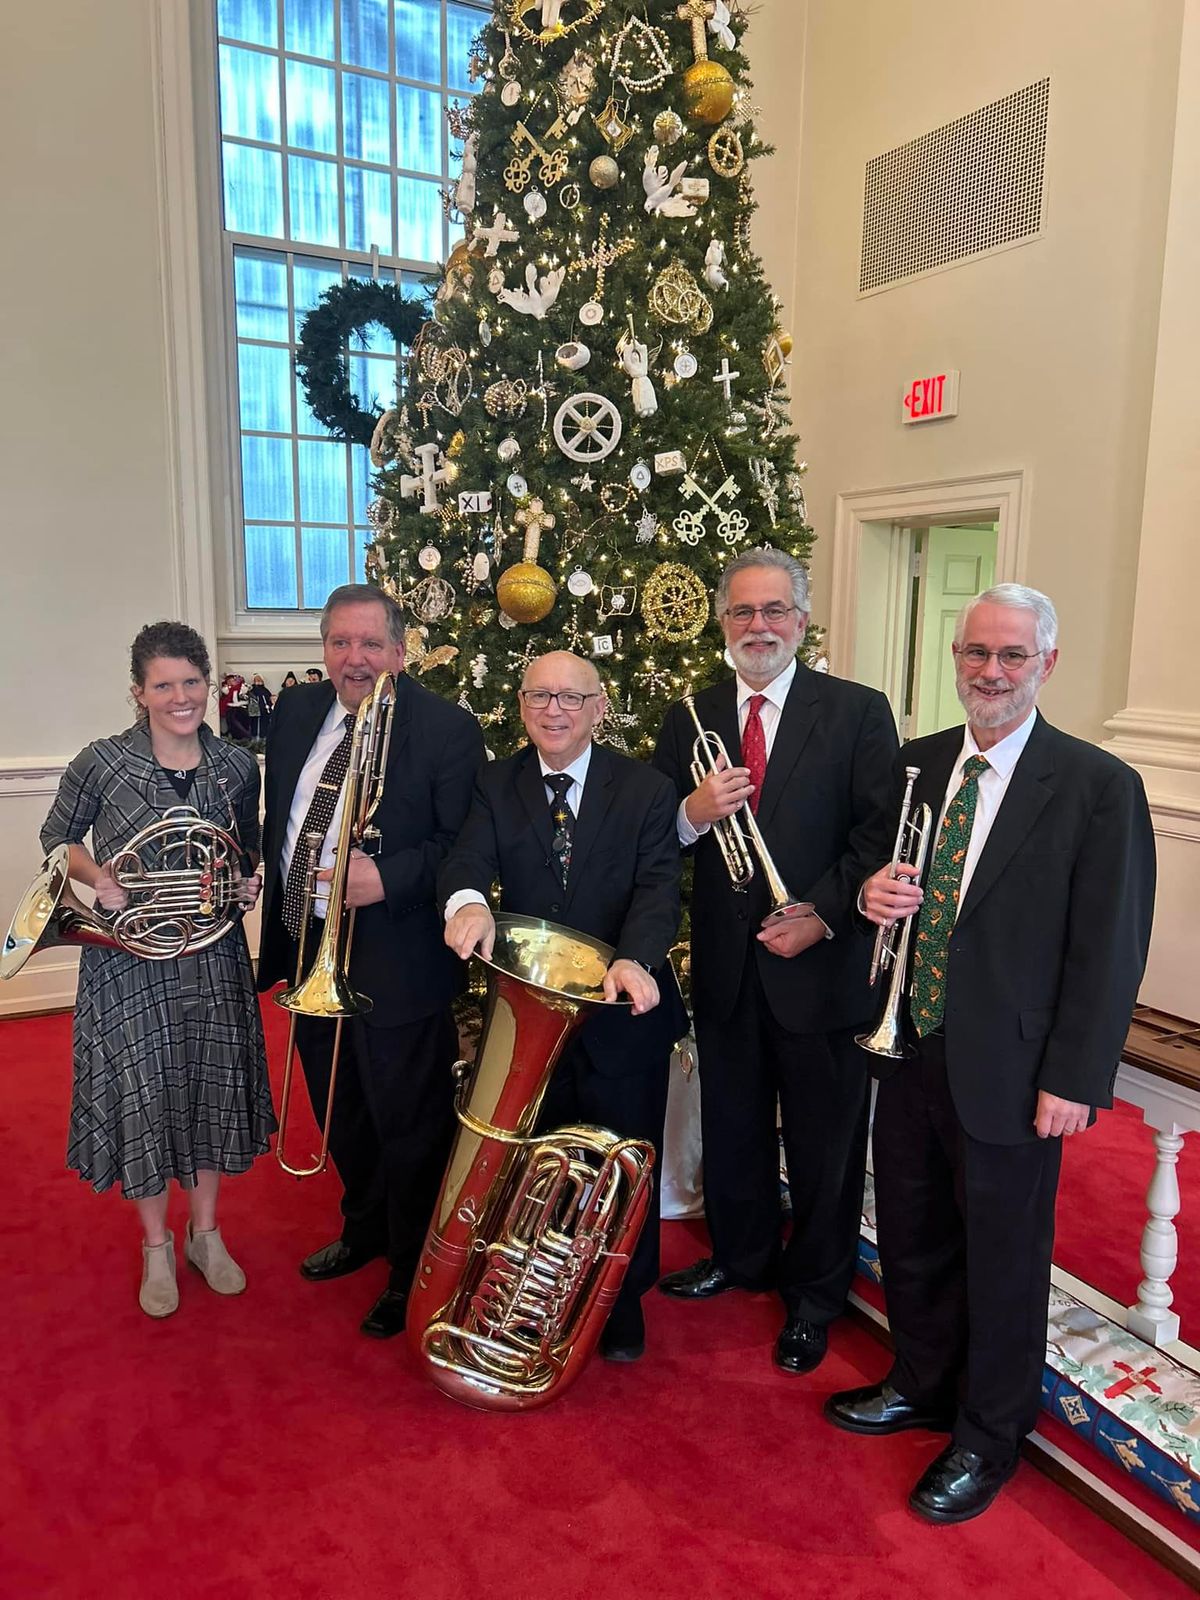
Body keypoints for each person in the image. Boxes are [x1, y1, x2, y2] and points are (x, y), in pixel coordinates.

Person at [825, 584, 1156, 1524]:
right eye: (977, 654)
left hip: (1014, 1071)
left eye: (1013, 657)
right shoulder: (920, 765)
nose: (992, 673)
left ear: (1047, 665)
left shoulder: (1098, 787)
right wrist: (868, 900)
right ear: (956, 659)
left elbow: (1109, 948)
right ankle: (921, 1383)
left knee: (1006, 1259)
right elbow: (880, 876)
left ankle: (989, 1432)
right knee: (916, 1235)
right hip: (911, 1044)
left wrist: (1074, 1079)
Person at [653, 547, 899, 1375]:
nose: (759, 627)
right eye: (742, 613)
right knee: (734, 1122)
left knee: (828, 1144)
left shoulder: (859, 712)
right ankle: (742, 1256)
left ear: (801, 619)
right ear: (722, 623)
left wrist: (822, 919)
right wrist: (689, 811)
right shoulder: (691, 714)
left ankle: (815, 1297)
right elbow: (656, 835)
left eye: (775, 612)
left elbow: (877, 835)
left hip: (820, 968)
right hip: (727, 966)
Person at [441, 652, 688, 1360]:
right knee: (536, 1166)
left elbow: (657, 889)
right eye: (540, 696)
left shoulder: (646, 789)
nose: (554, 710)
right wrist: (465, 906)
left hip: (620, 1012)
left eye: (570, 698)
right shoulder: (495, 783)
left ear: (599, 707)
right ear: (521, 705)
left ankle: (620, 1301)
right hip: (529, 1020)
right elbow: (465, 861)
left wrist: (634, 959)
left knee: (621, 1158)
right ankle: (528, 1295)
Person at [256, 583, 484, 1339]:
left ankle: (409, 1264)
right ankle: (366, 1227)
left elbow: (462, 845)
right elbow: (281, 818)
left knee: (407, 1119)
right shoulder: (294, 711)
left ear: (400, 649)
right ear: (323, 649)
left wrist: (387, 877)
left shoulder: (446, 728)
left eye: (370, 645)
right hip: (310, 944)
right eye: (340, 644)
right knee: (340, 1106)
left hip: (397, 956)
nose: (355, 660)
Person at [39, 621, 274, 1318]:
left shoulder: (236, 765)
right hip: (129, 959)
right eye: (164, 685)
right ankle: (155, 1246)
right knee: (145, 1093)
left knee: (207, 1092)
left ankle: (205, 1234)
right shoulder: (102, 762)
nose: (180, 697)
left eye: (192, 682)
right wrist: (98, 878)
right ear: (139, 692)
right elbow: (58, 840)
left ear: (209, 683)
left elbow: (245, 852)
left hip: (211, 954)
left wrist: (248, 881)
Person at [246, 673, 273, 739]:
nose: (258, 681)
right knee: (254, 726)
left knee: (263, 726)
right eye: (256, 679)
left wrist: (268, 706)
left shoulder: (265, 691)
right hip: (254, 713)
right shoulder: (251, 691)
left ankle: (263, 739)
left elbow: (269, 699)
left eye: (259, 679)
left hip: (264, 713)